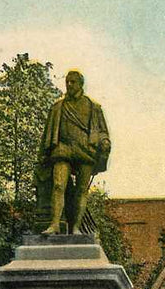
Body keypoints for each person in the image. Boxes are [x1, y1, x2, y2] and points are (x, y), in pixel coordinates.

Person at [36, 70, 111, 234]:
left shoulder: (93, 107)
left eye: (73, 82)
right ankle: (55, 224)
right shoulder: (58, 107)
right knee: (58, 185)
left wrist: (104, 141)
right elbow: (48, 134)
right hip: (63, 149)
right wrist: (43, 155)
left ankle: (76, 227)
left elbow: (102, 131)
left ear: (80, 84)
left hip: (85, 150)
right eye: (67, 82)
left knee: (82, 190)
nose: (69, 85)